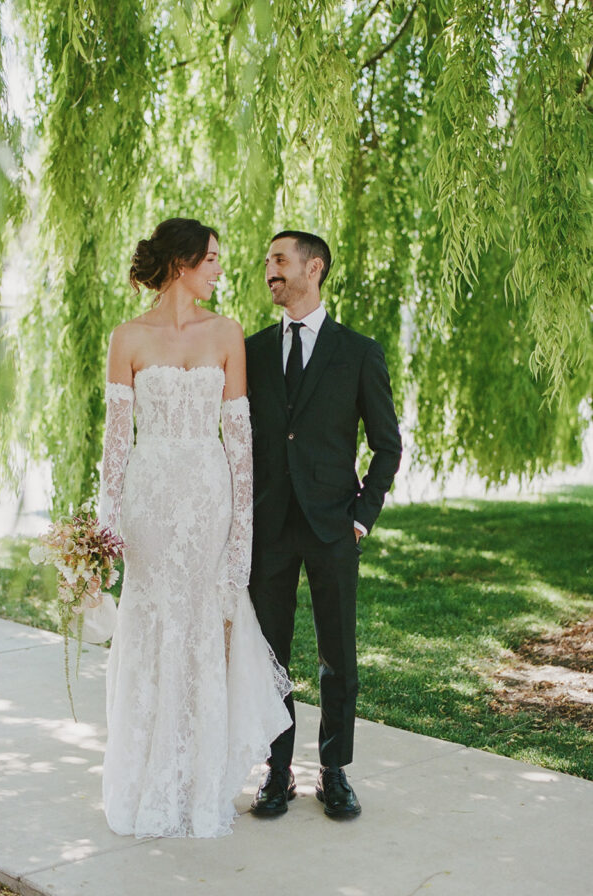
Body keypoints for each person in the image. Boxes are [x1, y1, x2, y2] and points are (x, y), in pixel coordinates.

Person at [97, 217, 291, 839]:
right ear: (181, 263)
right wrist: (104, 532)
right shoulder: (126, 337)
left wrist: (241, 544)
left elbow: (240, 447)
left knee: (203, 627)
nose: (220, 270)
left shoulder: (227, 334)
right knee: (154, 628)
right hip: (149, 502)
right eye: (210, 259)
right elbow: (115, 447)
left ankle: (199, 784)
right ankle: (149, 779)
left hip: (207, 498)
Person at [245, 230, 402, 820]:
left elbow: (388, 447)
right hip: (271, 526)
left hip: (335, 525)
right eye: (267, 262)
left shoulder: (359, 352)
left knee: (338, 652)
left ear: (314, 269)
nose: (269, 270)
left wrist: (361, 519)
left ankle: (333, 770)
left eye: (279, 261)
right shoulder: (252, 349)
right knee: (270, 654)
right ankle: (277, 771)